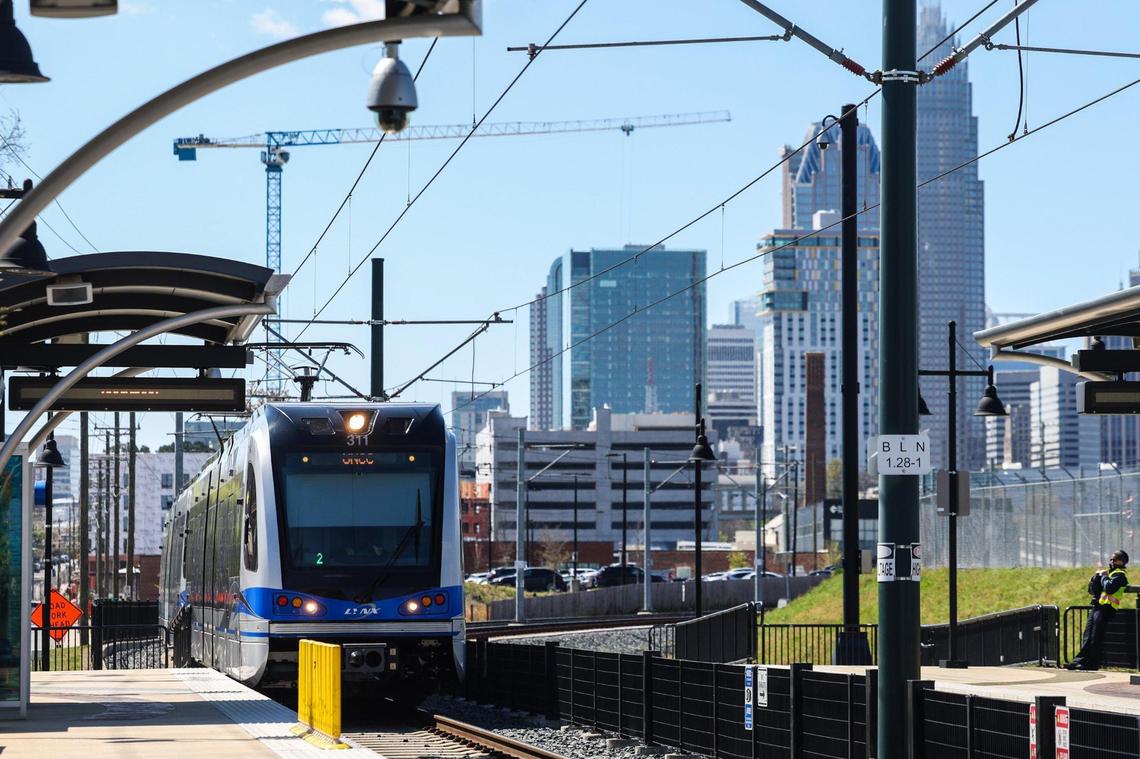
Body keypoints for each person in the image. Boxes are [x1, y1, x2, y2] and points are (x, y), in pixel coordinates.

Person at [1065, 550, 1130, 671]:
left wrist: (1104, 576)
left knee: (1096, 636)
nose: (1111, 562)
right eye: (1111, 559)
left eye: (1114, 559)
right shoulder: (1109, 574)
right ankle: (1079, 661)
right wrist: (1096, 578)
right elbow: (1093, 591)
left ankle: (1092, 663)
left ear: (1122, 561)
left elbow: (1109, 588)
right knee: (1088, 635)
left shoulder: (1120, 575)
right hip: (1097, 607)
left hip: (1107, 609)